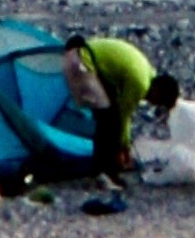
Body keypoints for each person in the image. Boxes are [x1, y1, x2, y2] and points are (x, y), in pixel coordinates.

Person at [63, 37, 181, 181]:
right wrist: (124, 148)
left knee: (108, 117)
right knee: (109, 120)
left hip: (80, 59)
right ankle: (104, 172)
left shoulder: (147, 73)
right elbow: (123, 116)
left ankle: (103, 170)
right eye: (158, 102)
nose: (153, 103)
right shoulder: (140, 84)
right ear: (158, 92)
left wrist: (124, 145)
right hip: (80, 64)